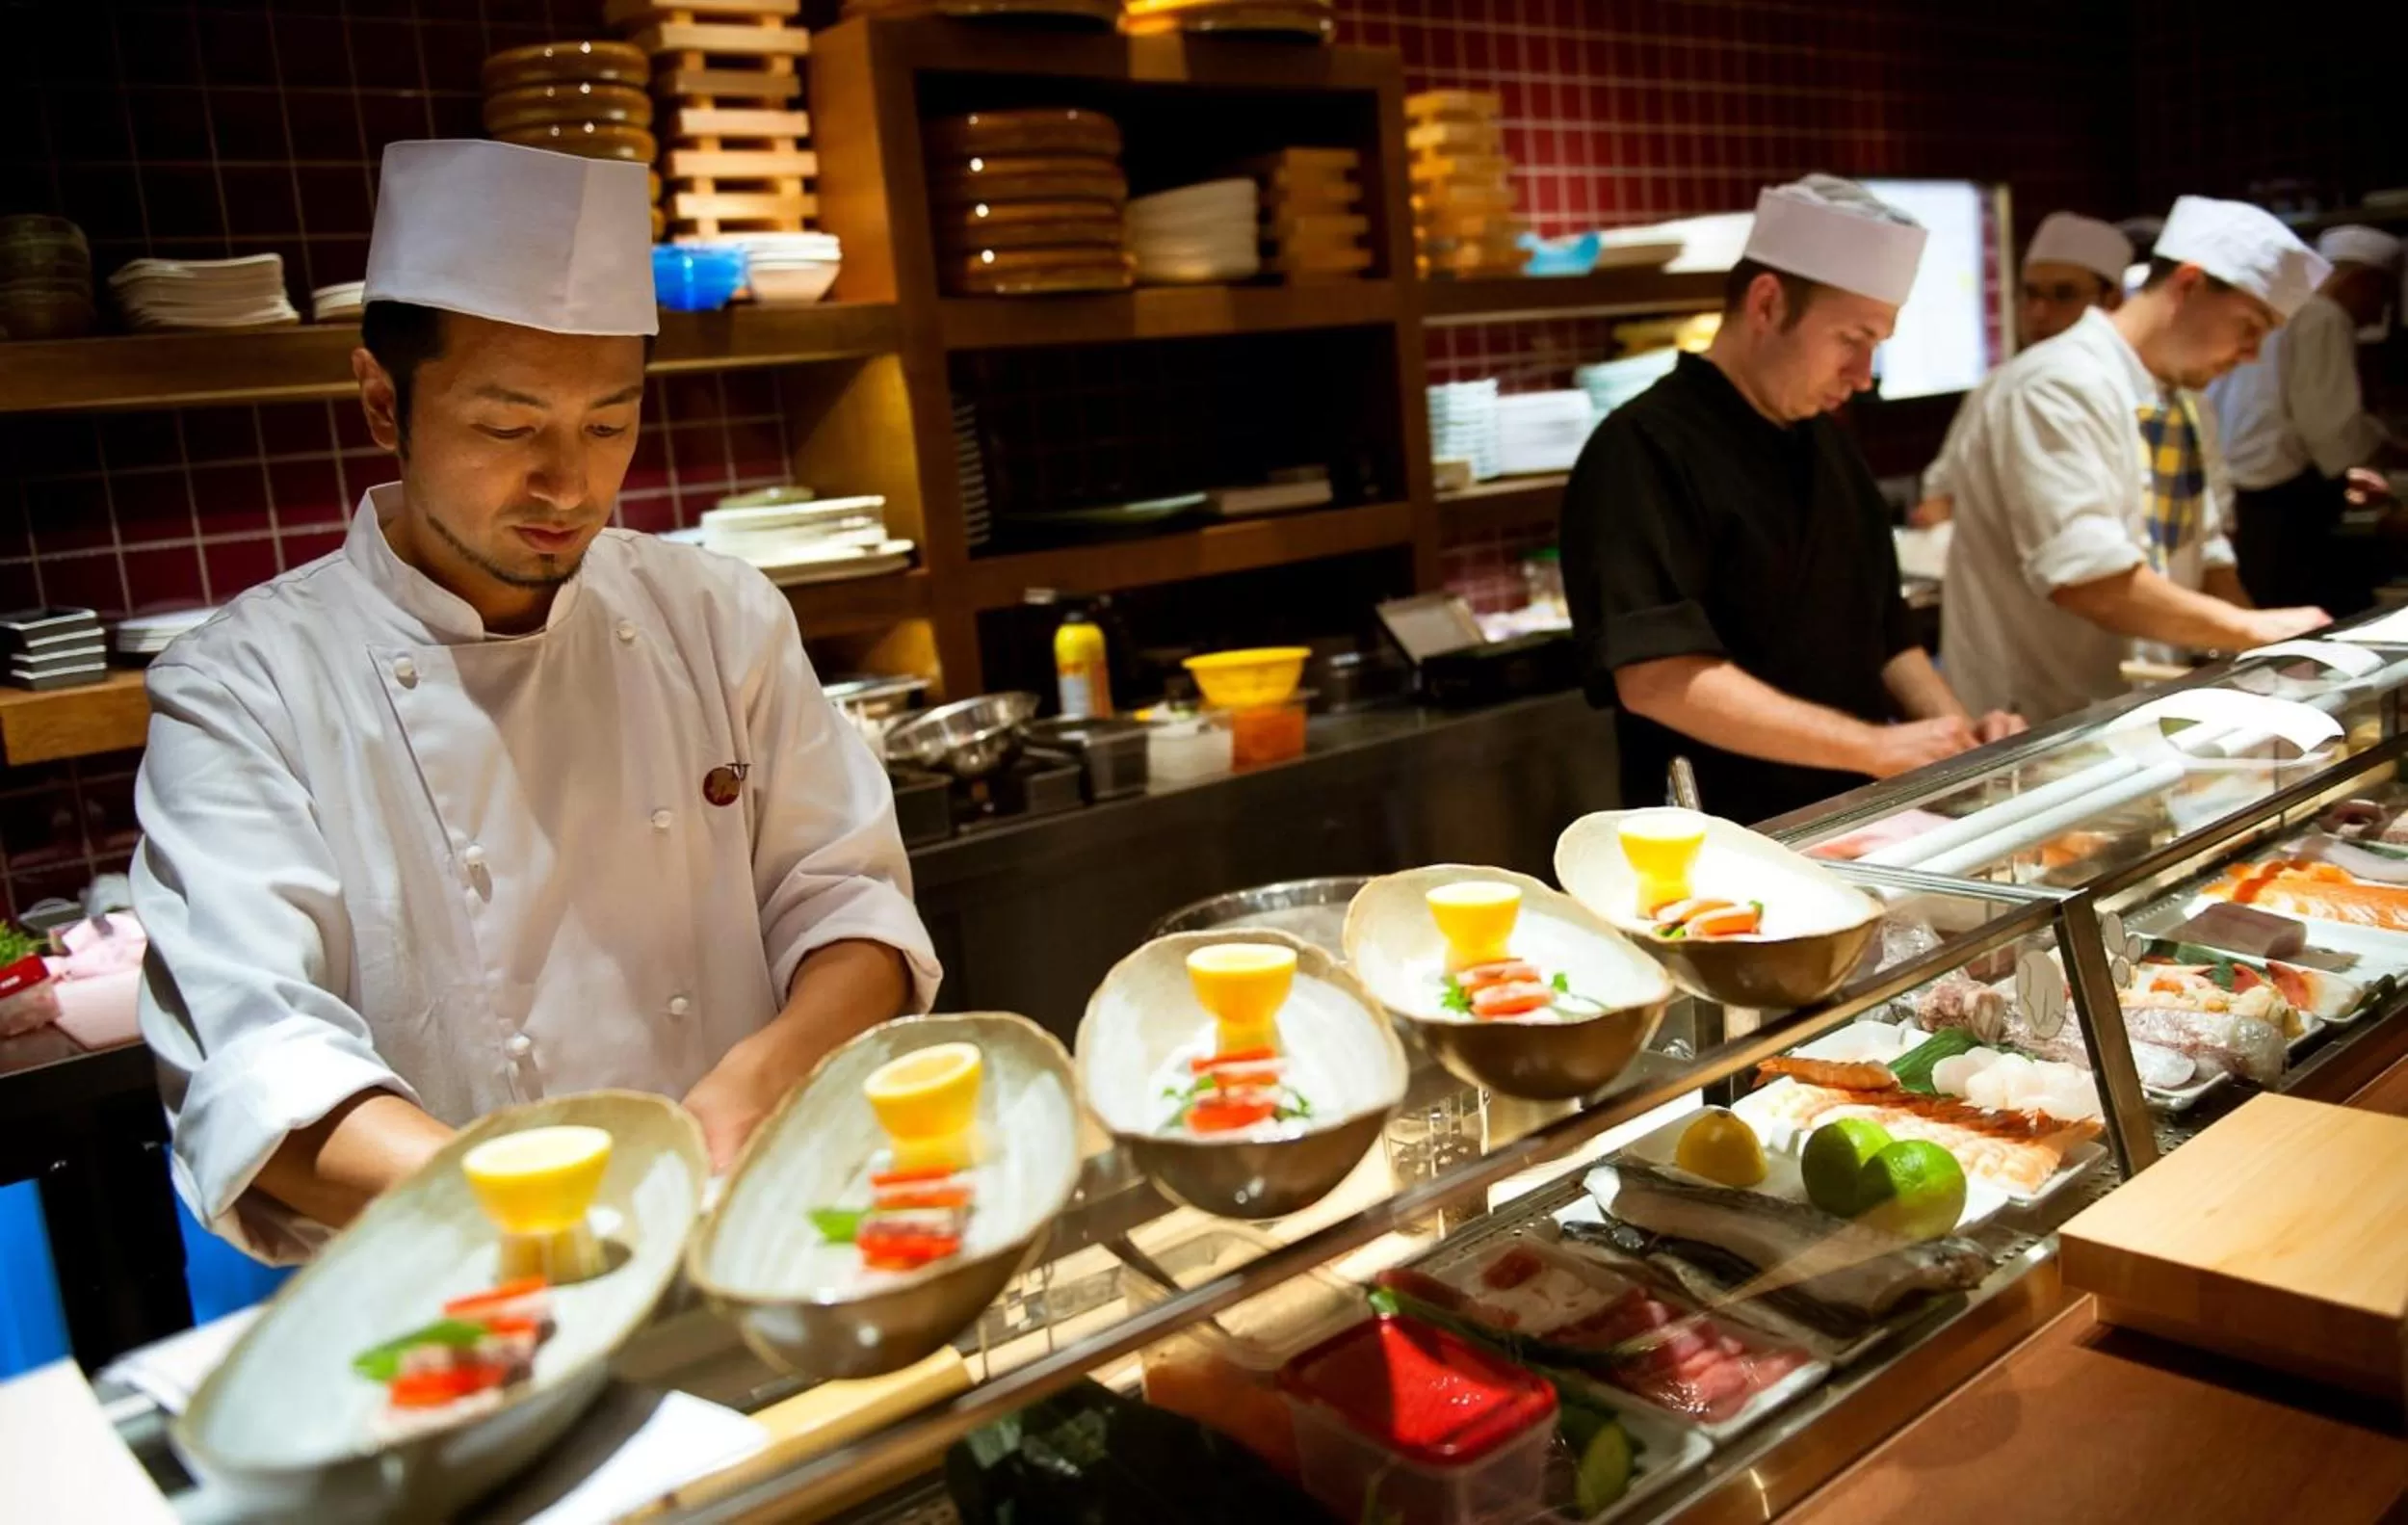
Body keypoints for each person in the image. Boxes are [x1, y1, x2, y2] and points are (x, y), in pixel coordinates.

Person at [133, 141, 941, 1262]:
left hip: (756, 1233)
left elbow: (851, 904)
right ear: (381, 401)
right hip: (461, 1295)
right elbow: (259, 1061)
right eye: (509, 428)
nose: (569, 485)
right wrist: (547, 1214)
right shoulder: (244, 687)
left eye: (608, 424)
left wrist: (757, 1082)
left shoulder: (718, 614)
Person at [1561, 174, 2023, 827]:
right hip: (1723, 847)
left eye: (1877, 346)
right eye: (1850, 339)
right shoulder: (1641, 449)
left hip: (1858, 826)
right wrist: (1873, 746)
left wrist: (1961, 743)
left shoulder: (1829, 447)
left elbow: (1887, 635)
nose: (1864, 376)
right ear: (1768, 304)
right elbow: (1656, 678)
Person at [1940, 197, 2335, 724]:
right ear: (2189, 284)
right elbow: (2090, 581)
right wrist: (2257, 630)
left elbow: (2208, 555)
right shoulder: (2056, 385)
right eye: (2250, 326)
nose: (2252, 354)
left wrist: (2266, 666)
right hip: (2033, 718)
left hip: (2133, 709)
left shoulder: (2185, 400)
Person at [2209, 224, 2404, 614]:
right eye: (2382, 294)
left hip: (2238, 502)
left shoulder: (2278, 308)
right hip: (2280, 512)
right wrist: (2392, 462)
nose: (2380, 310)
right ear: (2362, 281)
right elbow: (2331, 432)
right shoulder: (2324, 316)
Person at [1912, 212, 2134, 527]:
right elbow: (1938, 498)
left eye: (2064, 295)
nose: (2039, 312)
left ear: (2111, 301)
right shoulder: (1998, 387)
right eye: (2030, 294)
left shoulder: (2138, 392)